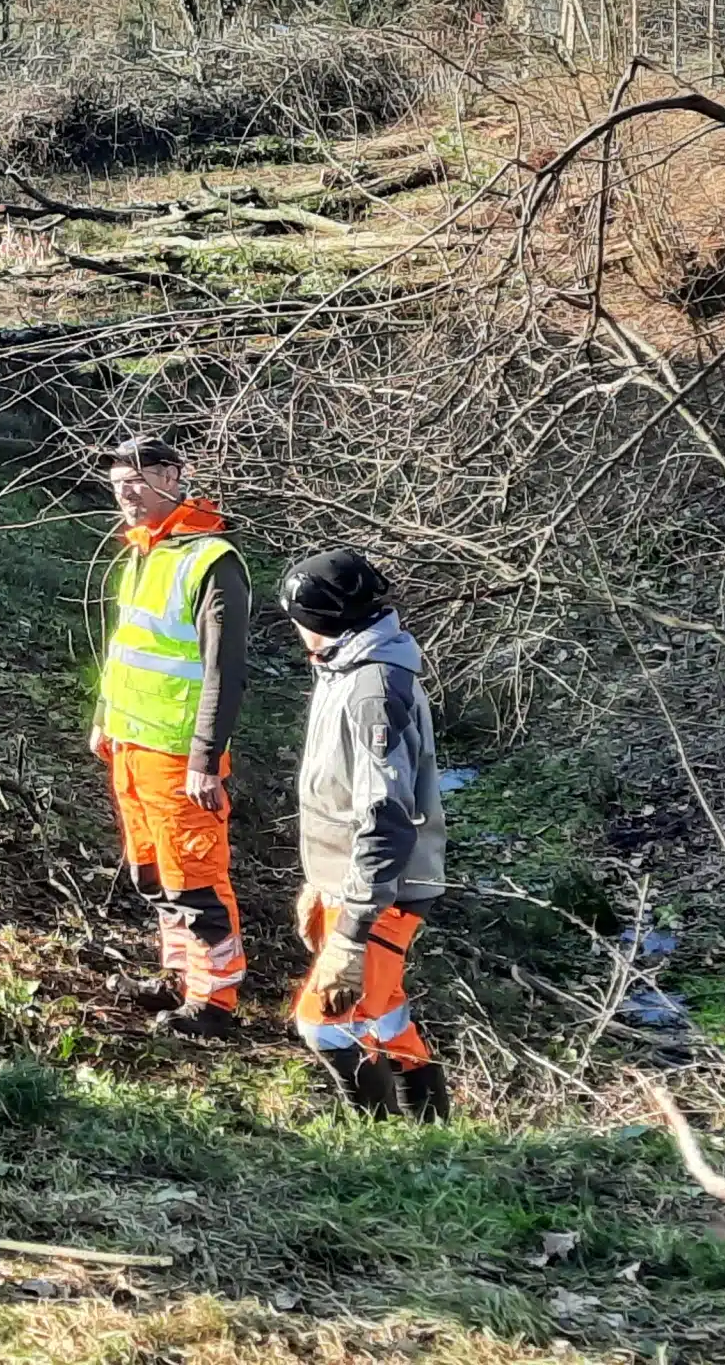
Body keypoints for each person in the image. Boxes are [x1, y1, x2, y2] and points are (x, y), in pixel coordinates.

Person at [278, 548, 451, 1121]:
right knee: (384, 1017)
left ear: (324, 619)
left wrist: (351, 934)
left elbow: (385, 818)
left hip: (383, 891)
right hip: (353, 882)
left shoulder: (373, 691)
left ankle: (378, 1149)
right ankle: (431, 1143)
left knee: (326, 1021)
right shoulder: (347, 668)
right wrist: (318, 882)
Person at [93, 437, 250, 1039]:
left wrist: (206, 759)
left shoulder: (210, 559)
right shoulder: (143, 552)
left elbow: (223, 670)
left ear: (173, 477)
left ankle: (214, 1002)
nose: (126, 494)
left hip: (180, 754)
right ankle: (179, 977)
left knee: (196, 878)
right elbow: (128, 647)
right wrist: (105, 716)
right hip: (132, 747)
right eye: (118, 484)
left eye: (137, 480)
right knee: (154, 873)